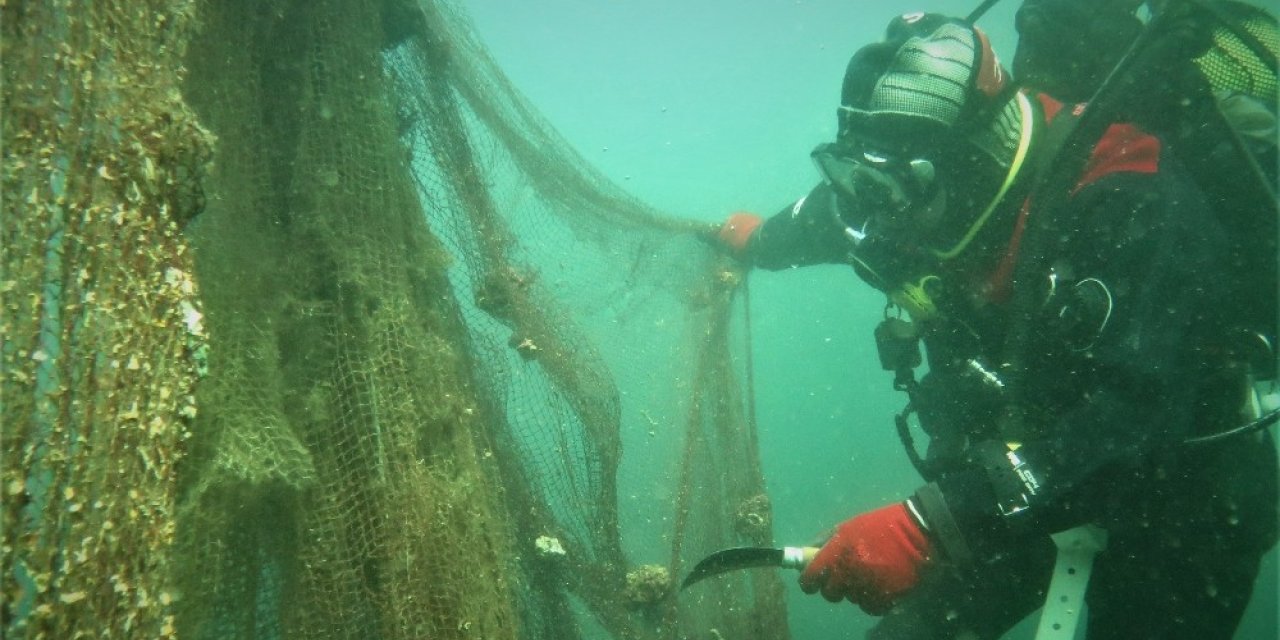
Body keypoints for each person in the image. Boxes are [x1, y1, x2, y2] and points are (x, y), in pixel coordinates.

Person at [713, 9, 1278, 639]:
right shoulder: (914, 193)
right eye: (860, 179)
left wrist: (928, 525)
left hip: (1178, 503)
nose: (878, 214)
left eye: (891, 187)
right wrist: (757, 240)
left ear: (971, 161)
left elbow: (1132, 421)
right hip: (1013, 487)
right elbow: (835, 215)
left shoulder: (1130, 195)